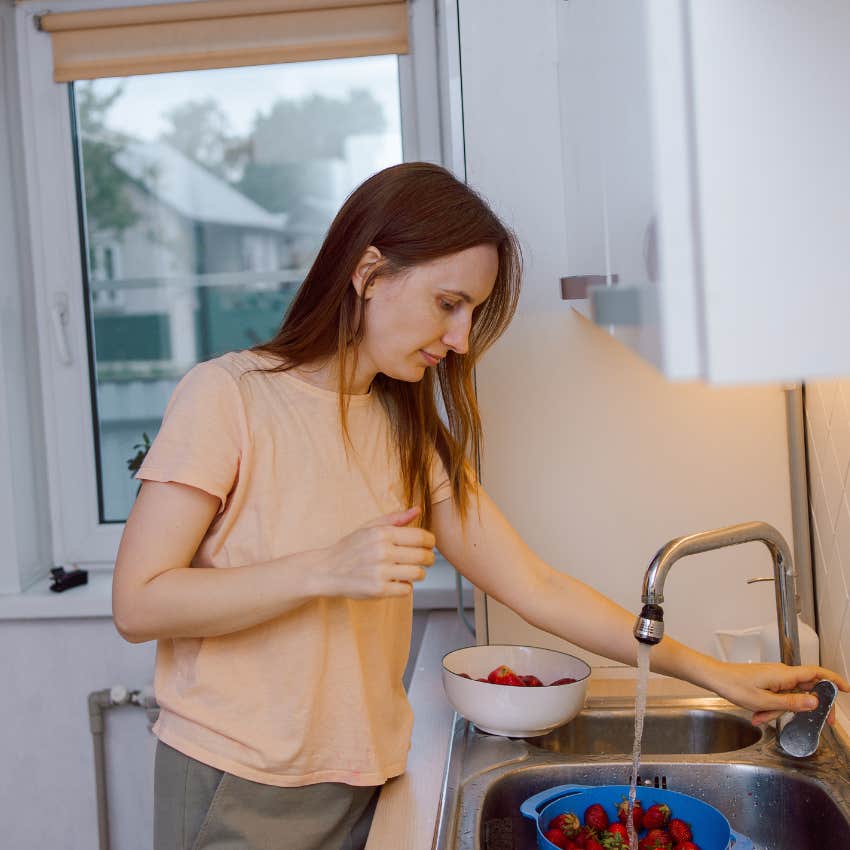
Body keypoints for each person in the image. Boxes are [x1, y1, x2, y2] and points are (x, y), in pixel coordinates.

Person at [112, 162, 847, 850]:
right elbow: (140, 603)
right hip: (239, 783)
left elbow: (537, 586)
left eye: (473, 312)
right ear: (369, 272)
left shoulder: (404, 431)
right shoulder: (229, 397)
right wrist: (323, 569)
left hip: (360, 781)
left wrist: (714, 676)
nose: (461, 340)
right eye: (449, 303)